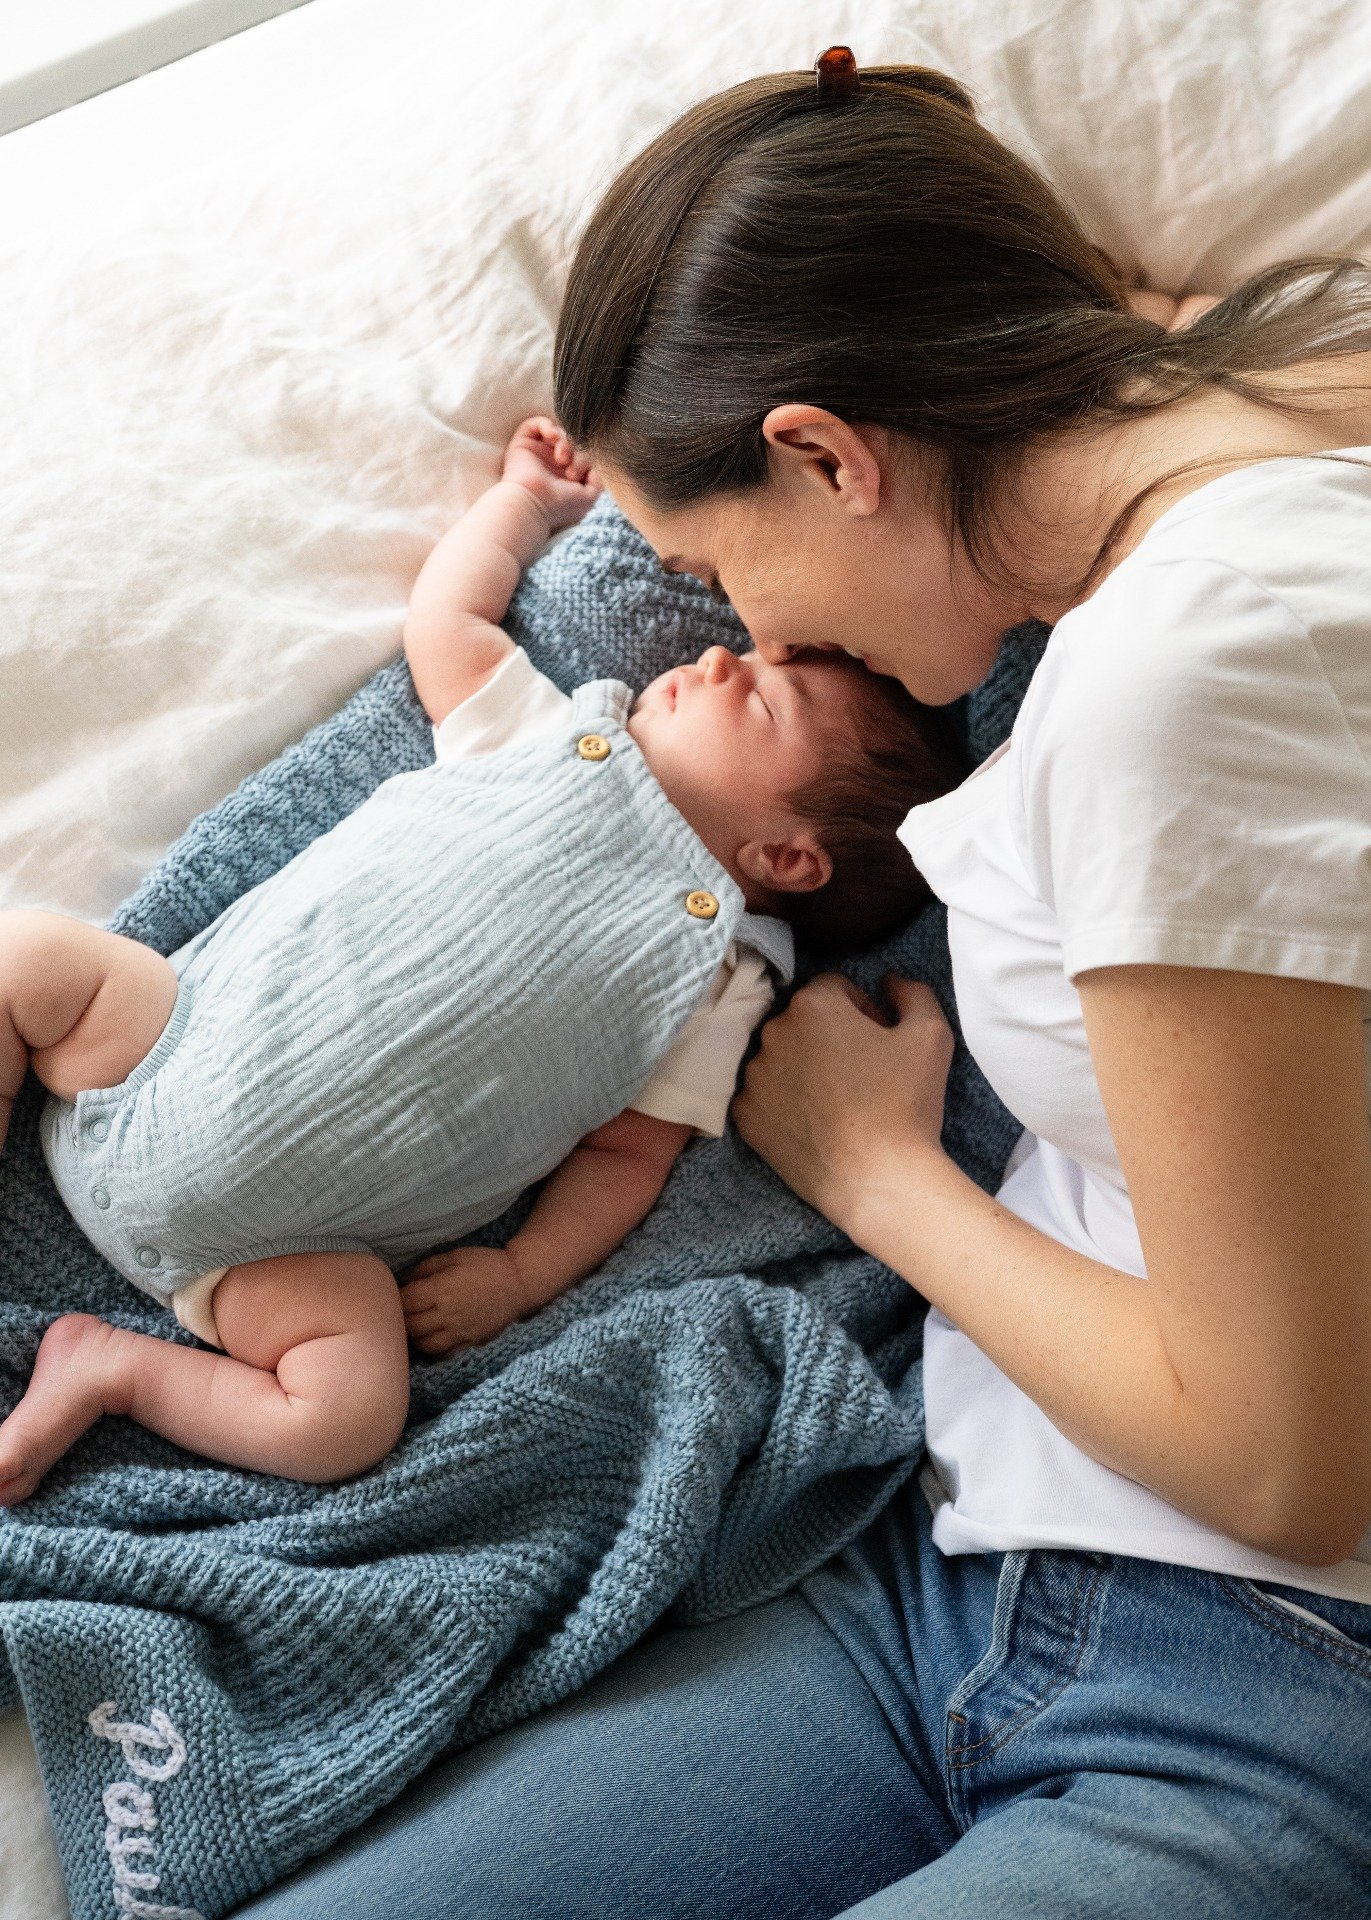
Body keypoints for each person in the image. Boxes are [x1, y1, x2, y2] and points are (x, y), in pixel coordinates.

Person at [238, 57, 1371, 1919]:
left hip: (1265, 1665)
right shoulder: (1286, 378)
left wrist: (866, 1169)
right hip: (953, 1553)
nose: (745, 632)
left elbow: (1284, 1464)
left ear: (832, 454)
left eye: (713, 560)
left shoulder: (1180, 697)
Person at [0, 412, 962, 1505]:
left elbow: (623, 1163)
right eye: (739, 656)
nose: (713, 657)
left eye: (763, 695)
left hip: (284, 1260)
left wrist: (518, 1276)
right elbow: (449, 619)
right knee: (25, 956)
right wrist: (526, 504)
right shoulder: (557, 741)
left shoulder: (722, 979)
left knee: (349, 1418)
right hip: (152, 1046)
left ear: (788, 855)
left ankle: (118, 1369)